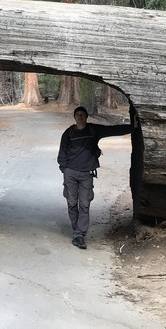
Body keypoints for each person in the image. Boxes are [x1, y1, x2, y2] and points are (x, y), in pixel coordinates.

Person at [57, 106, 137, 249]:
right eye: (78, 115)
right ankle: (77, 230)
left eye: (82, 115)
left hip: (87, 173)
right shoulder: (68, 133)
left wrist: (133, 127)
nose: (80, 117)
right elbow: (62, 152)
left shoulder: (93, 130)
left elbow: (113, 130)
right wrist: (65, 169)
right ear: (74, 117)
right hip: (71, 173)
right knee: (72, 203)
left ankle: (79, 235)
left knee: (85, 204)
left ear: (87, 117)